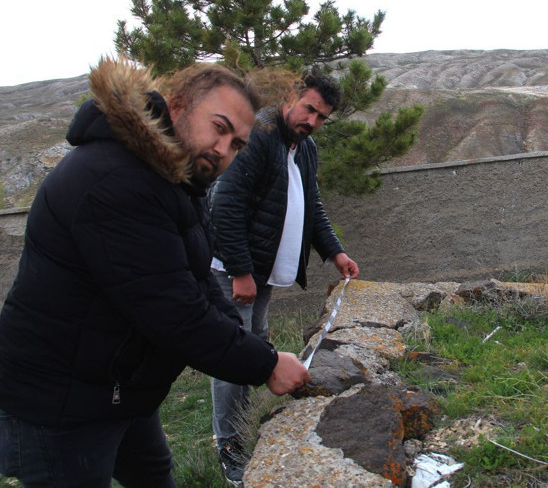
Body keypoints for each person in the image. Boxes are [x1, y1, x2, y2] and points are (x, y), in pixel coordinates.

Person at [0, 57, 309, 487]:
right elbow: (173, 310)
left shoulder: (174, 179)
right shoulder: (116, 178)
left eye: (237, 144)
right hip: (59, 402)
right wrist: (266, 364)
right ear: (177, 105)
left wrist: (255, 346)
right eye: (218, 128)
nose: (223, 150)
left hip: (118, 389)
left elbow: (196, 279)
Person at [207, 70, 359, 485]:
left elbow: (312, 205)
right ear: (291, 97)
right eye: (309, 108)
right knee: (232, 356)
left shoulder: (304, 148)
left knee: (252, 347)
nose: (312, 121)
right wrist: (240, 271)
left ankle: (244, 422)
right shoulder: (260, 136)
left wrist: (335, 251)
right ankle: (229, 443)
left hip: (263, 277)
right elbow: (227, 204)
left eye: (322, 117)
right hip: (236, 274)